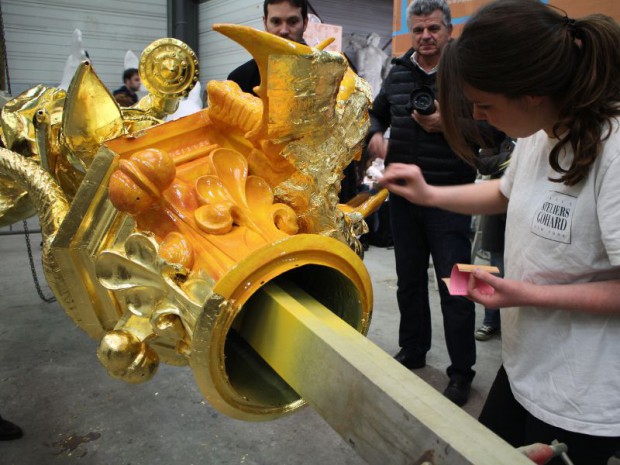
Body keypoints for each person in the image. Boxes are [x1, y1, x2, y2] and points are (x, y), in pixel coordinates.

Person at [380, 1, 620, 463]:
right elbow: (503, 193)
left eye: (484, 104)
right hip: (526, 366)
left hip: (583, 396)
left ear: (529, 91)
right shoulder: (541, 128)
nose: (479, 115)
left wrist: (525, 293)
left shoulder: (612, 149)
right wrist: (427, 193)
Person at [367, 0, 478, 407]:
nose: (426, 37)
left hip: (453, 198)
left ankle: (462, 371)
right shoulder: (397, 71)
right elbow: (376, 114)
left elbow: (491, 132)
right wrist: (375, 137)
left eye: (433, 29)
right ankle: (413, 350)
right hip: (403, 199)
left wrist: (446, 123)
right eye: (418, 30)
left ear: (448, 31)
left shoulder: (465, 74)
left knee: (458, 287)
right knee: (409, 279)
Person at [474, 137, 514, 341]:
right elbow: (484, 163)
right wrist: (512, 157)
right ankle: (490, 321)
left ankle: (513, 327)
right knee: (495, 270)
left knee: (520, 271)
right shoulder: (500, 134)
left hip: (524, 212)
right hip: (498, 213)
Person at [227, 0, 308, 96]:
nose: (284, 31)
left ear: (305, 23)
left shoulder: (325, 75)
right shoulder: (239, 80)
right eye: (276, 22)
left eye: (293, 22)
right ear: (265, 23)